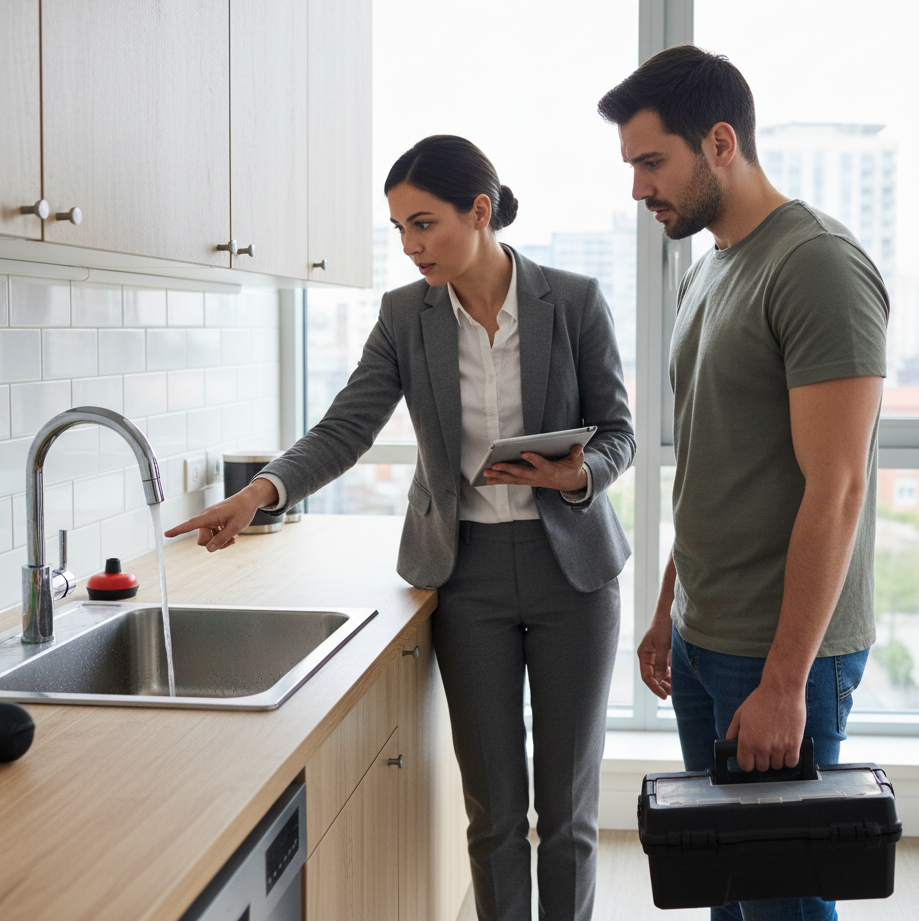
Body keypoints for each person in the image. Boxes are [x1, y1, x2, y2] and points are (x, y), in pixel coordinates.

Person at [165, 135, 635, 921]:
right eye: (399, 230)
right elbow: (345, 429)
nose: (411, 246)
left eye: (424, 223)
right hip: (467, 575)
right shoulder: (404, 316)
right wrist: (261, 494)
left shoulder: (574, 301)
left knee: (567, 810)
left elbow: (618, 431)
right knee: (491, 811)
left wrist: (577, 474)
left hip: (574, 574)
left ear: (478, 212)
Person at [598, 46, 889, 921]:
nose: (639, 188)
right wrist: (666, 610)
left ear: (720, 142)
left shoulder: (818, 266)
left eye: (653, 162)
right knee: (726, 889)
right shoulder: (711, 269)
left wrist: (787, 683)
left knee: (781, 903)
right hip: (704, 634)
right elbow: (716, 465)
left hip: (777, 651)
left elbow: (836, 489)